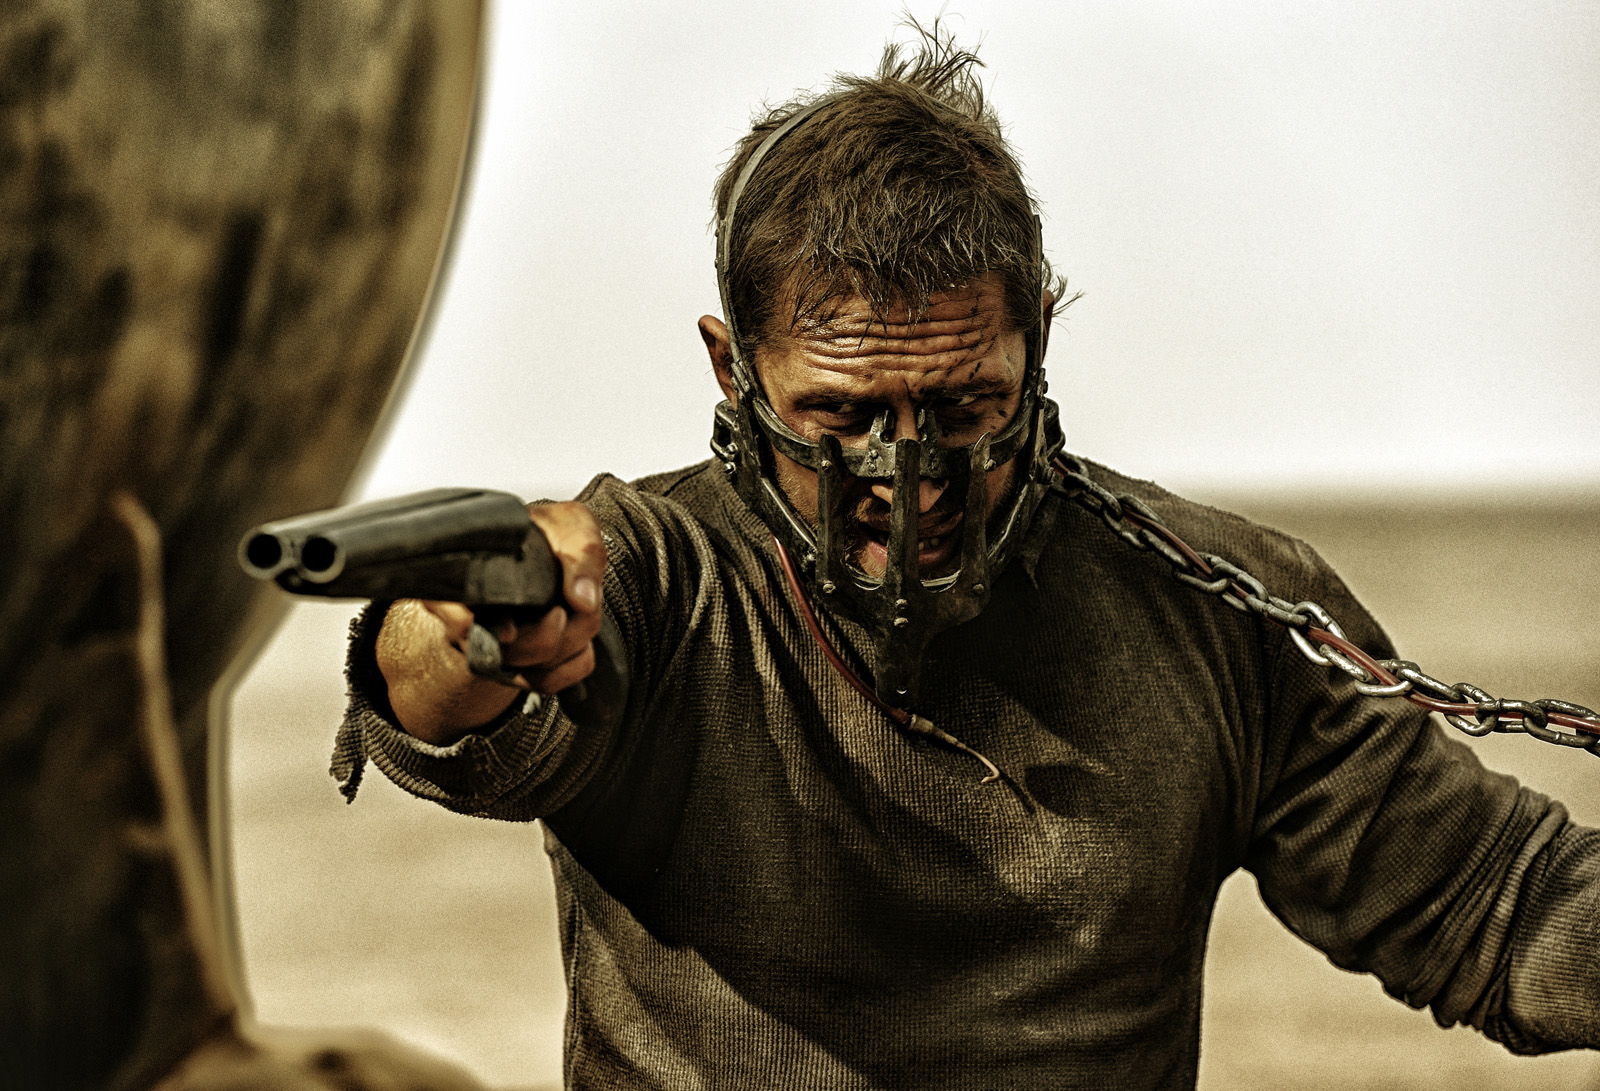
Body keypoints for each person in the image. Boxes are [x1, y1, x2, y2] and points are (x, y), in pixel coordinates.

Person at [330, 27, 1600, 1090]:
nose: (905, 473)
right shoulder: (654, 580)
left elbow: (1497, 908)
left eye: (960, 404)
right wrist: (481, 615)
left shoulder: (1218, 610)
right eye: (841, 416)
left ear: (1035, 340)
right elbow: (430, 702)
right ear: (731, 367)